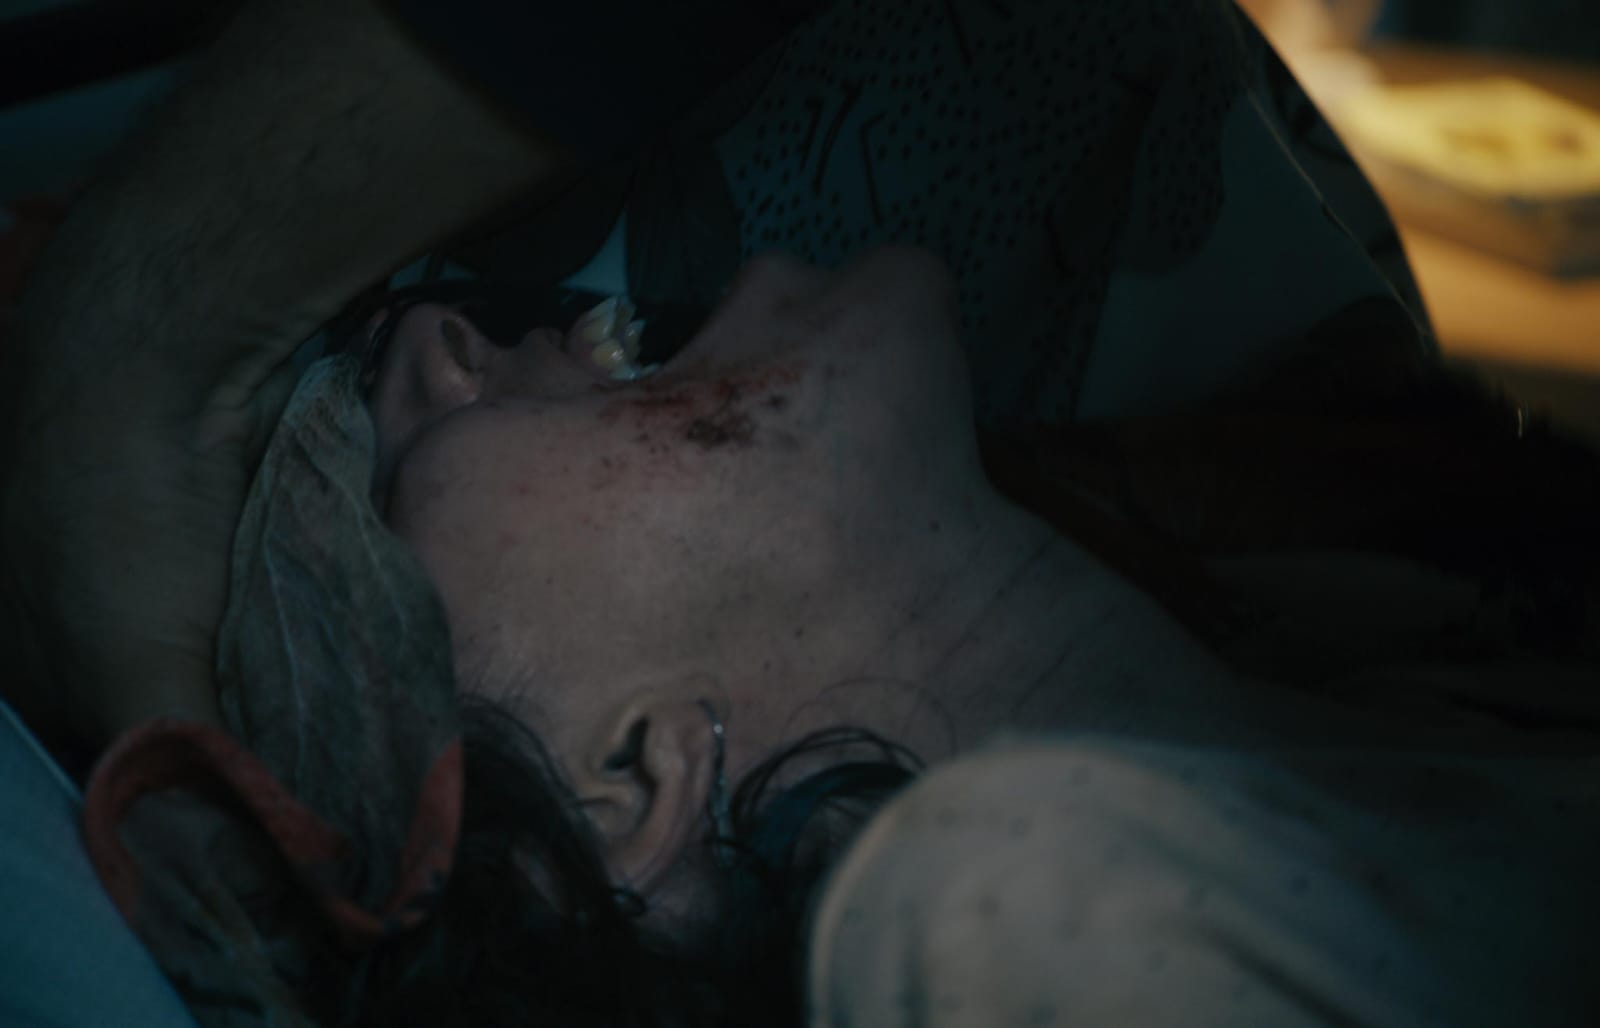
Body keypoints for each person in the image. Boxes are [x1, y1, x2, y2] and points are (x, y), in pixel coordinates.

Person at [1, 1, 1596, 1026]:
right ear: (628, 785)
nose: (435, 334)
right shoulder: (1005, 922)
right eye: (371, 459)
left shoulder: (1452, 623)